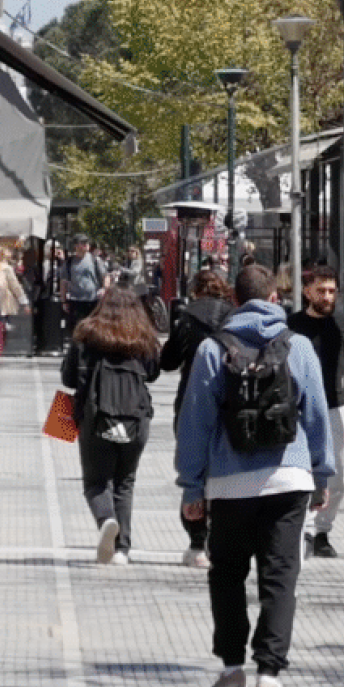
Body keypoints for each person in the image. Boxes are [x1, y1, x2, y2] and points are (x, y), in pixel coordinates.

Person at [175, 265, 334, 687]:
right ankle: (269, 674)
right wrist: (321, 474)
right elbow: (316, 415)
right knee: (280, 576)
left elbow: (195, 423)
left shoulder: (213, 349)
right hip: (289, 478)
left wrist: (191, 486)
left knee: (227, 575)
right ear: (274, 298)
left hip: (229, 484)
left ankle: (231, 668)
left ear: (234, 300)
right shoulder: (299, 346)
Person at [61, 287, 160, 565]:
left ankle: (106, 520)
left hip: (95, 417)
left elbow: (68, 379)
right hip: (135, 417)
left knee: (96, 482)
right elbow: (153, 373)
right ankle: (121, 550)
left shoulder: (86, 335)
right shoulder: (143, 337)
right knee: (125, 482)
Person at [287, 265, 344, 559]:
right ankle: (305, 528)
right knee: (301, 469)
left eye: (332, 291)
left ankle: (323, 530)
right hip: (298, 407)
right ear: (307, 292)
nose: (327, 296)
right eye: (321, 290)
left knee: (338, 474)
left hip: (336, 406)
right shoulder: (292, 324)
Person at [159, 270, 234, 568]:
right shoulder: (234, 316)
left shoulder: (187, 317)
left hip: (191, 397)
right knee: (223, 467)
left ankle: (196, 541)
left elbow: (168, 362)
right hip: (229, 401)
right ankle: (219, 536)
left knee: (194, 468)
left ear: (195, 291)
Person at [63, 234, 107, 333]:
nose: (86, 244)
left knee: (92, 329)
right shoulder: (69, 262)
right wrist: (63, 301)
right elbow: (63, 282)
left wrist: (104, 289)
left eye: (87, 242)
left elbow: (105, 276)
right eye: (82, 242)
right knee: (76, 329)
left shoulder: (95, 260)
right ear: (76, 246)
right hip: (75, 301)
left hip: (92, 301)